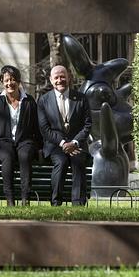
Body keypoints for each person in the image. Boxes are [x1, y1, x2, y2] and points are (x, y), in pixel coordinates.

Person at [0, 65, 41, 206]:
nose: (10, 83)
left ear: (18, 81)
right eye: (6, 80)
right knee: (8, 158)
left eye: (13, 80)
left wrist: (39, 146)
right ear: (2, 82)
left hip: (25, 140)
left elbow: (36, 126)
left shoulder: (29, 101)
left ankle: (25, 198)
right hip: (3, 141)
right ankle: (10, 200)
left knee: (24, 156)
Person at [37, 65, 92, 206]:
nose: (59, 80)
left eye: (62, 76)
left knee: (78, 161)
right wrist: (62, 143)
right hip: (55, 145)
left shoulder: (81, 98)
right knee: (61, 163)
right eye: (56, 77)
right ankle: (56, 202)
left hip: (76, 144)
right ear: (50, 80)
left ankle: (78, 203)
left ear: (69, 78)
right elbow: (44, 129)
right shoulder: (44, 100)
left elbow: (87, 125)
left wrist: (74, 142)